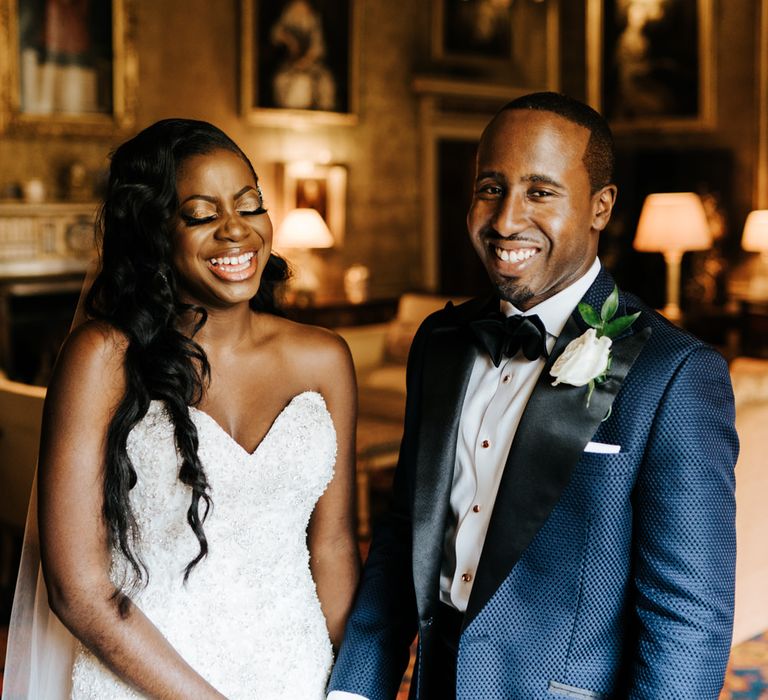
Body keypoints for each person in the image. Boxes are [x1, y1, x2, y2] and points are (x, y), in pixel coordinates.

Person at [327, 92, 738, 699]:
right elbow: (401, 536)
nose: (506, 219)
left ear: (601, 207)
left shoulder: (676, 377)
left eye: (540, 192)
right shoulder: (439, 342)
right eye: (490, 187)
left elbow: (690, 620)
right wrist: (355, 690)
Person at [3, 118, 360, 699]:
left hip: (297, 668)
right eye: (200, 214)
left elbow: (333, 546)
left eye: (249, 206)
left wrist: (359, 680)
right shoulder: (102, 359)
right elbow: (79, 591)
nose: (235, 232)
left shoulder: (323, 359)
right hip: (148, 677)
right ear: (153, 233)